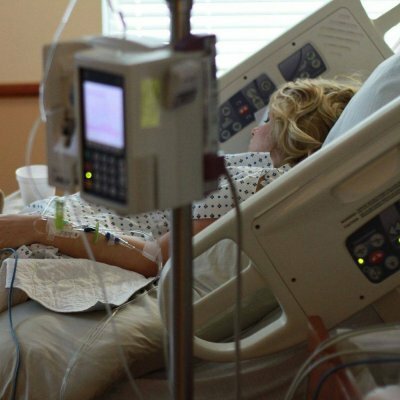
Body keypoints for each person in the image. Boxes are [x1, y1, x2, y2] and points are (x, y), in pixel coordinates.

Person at [0, 77, 359, 277]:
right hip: (72, 217)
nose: (253, 131)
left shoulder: (250, 183)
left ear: (287, 136)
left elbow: (154, 257)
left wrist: (36, 227)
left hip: (61, 234)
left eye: (265, 122)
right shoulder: (243, 175)